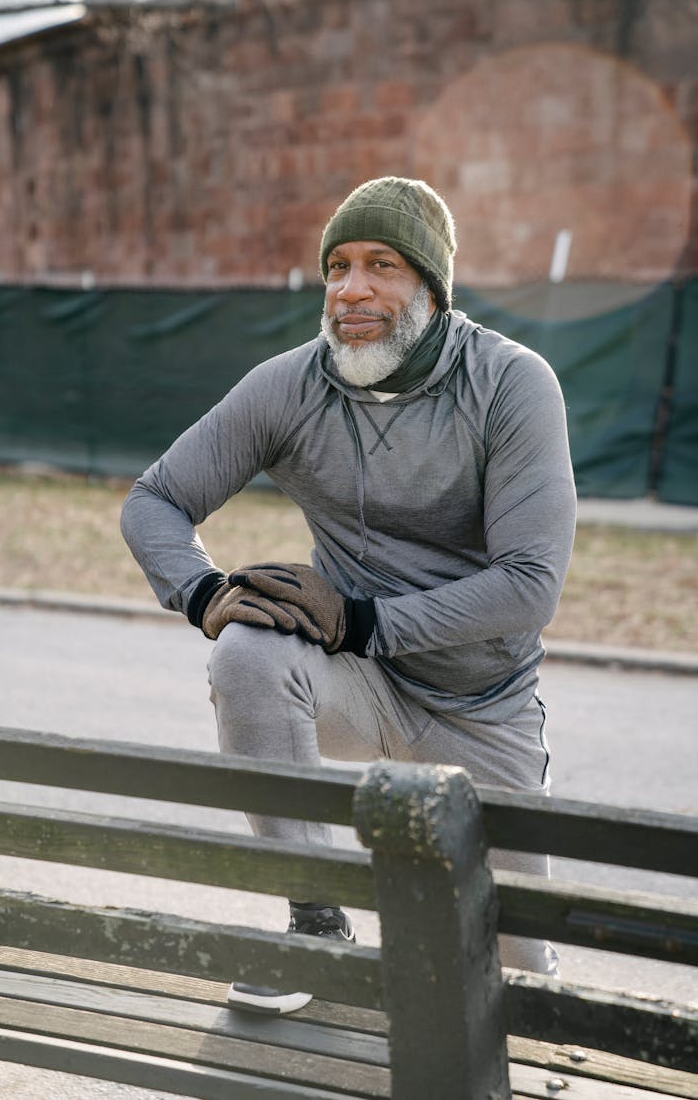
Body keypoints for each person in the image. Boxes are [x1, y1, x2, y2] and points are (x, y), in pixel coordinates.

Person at [121, 176, 577, 1015]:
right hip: (359, 686)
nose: (351, 287)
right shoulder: (291, 385)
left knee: (520, 985)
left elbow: (529, 586)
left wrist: (363, 620)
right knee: (250, 651)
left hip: (483, 706)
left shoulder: (513, 384)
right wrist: (201, 592)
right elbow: (154, 499)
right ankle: (315, 921)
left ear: (433, 290)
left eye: (381, 265)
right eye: (337, 265)